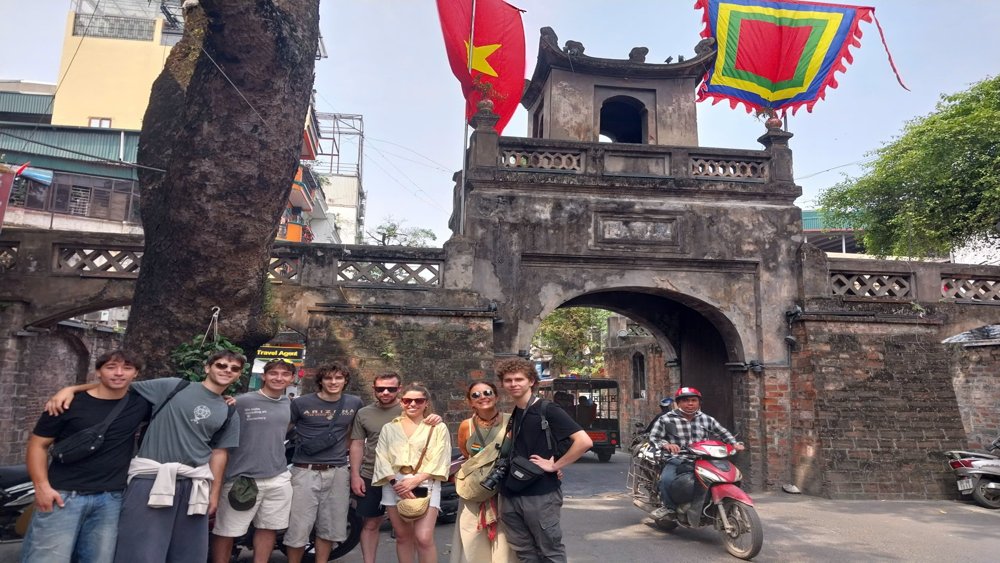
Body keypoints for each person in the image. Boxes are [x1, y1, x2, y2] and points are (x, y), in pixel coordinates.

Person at [47, 350, 243, 563]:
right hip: (150, 478)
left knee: (187, 553)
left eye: (234, 368)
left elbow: (219, 453)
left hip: (193, 485)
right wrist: (71, 389)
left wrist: (214, 493)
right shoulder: (174, 387)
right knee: (139, 550)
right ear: (207, 367)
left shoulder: (229, 411)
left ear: (238, 375)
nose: (227, 370)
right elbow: (118, 384)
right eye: (221, 365)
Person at [22, 350, 151, 563]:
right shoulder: (67, 404)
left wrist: (72, 387)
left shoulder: (139, 404)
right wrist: (42, 487)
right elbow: (38, 445)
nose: (119, 373)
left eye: (127, 368)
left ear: (135, 373)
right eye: (111, 367)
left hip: (110, 499)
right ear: (98, 371)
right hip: (63, 495)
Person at [496, 358, 593, 563]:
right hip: (511, 492)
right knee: (524, 552)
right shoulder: (516, 411)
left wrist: (556, 465)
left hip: (540, 494)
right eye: (508, 380)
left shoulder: (547, 409)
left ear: (531, 381)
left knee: (550, 551)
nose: (513, 384)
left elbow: (584, 441)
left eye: (519, 379)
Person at [349, 374, 443, 563]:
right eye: (380, 389)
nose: (385, 392)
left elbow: (439, 453)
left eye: (391, 389)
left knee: (421, 535)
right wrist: (356, 475)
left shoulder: (425, 419)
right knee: (381, 527)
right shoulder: (372, 418)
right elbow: (363, 447)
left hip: (418, 480)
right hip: (379, 477)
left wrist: (415, 480)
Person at [210, 359, 295, 563]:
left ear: (292, 379)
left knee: (268, 528)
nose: (279, 378)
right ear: (264, 376)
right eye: (273, 373)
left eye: (285, 374)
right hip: (242, 478)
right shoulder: (242, 402)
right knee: (227, 531)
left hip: (277, 477)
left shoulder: (289, 404)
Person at [283, 363, 363, 563]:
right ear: (320, 381)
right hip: (304, 470)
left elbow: (355, 436)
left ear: (345, 380)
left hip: (337, 471)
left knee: (330, 527)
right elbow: (282, 430)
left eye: (338, 378)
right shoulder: (301, 403)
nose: (333, 382)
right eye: (328, 378)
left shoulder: (354, 403)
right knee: (298, 527)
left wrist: (353, 470)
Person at [372, 384, 451, 563]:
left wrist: (416, 480)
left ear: (426, 403)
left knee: (424, 538)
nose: (412, 404)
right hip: (395, 483)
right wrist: (395, 483)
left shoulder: (437, 428)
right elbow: (381, 457)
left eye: (418, 400)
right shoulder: (389, 428)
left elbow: (441, 457)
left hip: (426, 482)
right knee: (402, 536)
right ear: (401, 402)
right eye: (408, 400)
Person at [648, 386, 744, 520]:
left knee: (722, 475)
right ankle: (669, 508)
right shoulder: (666, 419)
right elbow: (654, 438)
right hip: (677, 458)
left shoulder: (706, 419)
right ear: (678, 403)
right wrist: (666, 445)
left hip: (703, 459)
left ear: (699, 403)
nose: (690, 404)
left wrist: (734, 443)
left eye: (694, 400)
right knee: (666, 480)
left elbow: (722, 433)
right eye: (686, 401)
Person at [450, 381, 515, 563]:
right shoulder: (466, 426)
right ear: (470, 402)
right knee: (472, 538)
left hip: (503, 489)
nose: (482, 397)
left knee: (503, 541)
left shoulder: (511, 421)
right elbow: (467, 454)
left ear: (496, 396)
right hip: (475, 490)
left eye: (487, 393)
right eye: (476, 395)